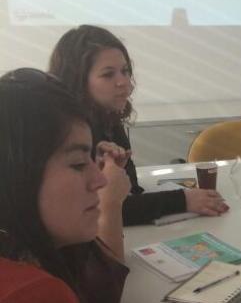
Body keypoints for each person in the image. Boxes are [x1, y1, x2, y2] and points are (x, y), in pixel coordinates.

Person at [0, 68, 241, 303]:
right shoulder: (32, 299)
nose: (99, 179)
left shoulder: (29, 254)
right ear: (17, 173)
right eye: (79, 164)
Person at [49, 25, 229, 226]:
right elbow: (103, 207)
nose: (123, 82)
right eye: (108, 75)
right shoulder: (70, 135)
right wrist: (182, 200)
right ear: (79, 81)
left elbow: (129, 190)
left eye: (125, 71)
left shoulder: (108, 117)